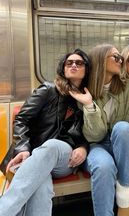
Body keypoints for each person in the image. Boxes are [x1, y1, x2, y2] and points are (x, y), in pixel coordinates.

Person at [0, 49, 91, 216]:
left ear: (86, 69)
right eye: (69, 62)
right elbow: (22, 119)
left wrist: (83, 147)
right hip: (34, 156)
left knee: (52, 146)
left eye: (79, 63)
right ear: (63, 68)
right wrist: (22, 148)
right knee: (41, 188)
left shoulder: (88, 98)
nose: (73, 65)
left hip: (65, 158)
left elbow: (89, 132)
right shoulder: (49, 89)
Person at [70, 44, 129, 216]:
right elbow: (96, 134)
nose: (120, 61)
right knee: (103, 166)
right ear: (101, 61)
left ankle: (126, 190)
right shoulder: (85, 92)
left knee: (122, 127)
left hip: (122, 143)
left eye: (120, 58)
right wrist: (90, 106)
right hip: (95, 145)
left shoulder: (128, 87)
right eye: (115, 57)